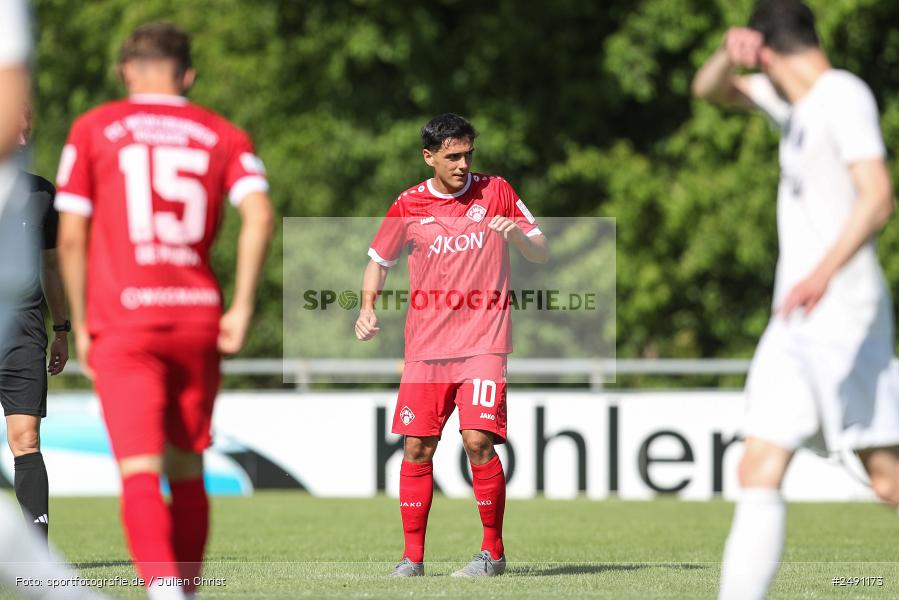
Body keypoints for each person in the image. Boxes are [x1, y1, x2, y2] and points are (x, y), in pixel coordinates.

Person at [55, 22, 274, 600]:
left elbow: (71, 234)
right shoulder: (221, 132)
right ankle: (187, 591)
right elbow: (259, 212)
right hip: (198, 316)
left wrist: (80, 322)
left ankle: (165, 592)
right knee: (187, 468)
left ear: (127, 71)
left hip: (125, 320)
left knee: (139, 469)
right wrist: (242, 305)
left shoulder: (95, 127)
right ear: (188, 75)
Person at [692, 1, 899, 598]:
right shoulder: (796, 105)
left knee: (887, 479)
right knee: (757, 466)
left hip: (845, 312)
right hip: (793, 324)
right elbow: (708, 91)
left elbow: (878, 197)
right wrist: (724, 53)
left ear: (765, 46)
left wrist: (821, 273)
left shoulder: (842, 94)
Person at [356, 113, 549, 577]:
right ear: (430, 157)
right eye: (452, 156)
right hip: (426, 348)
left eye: (468, 155)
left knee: (478, 440)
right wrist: (367, 307)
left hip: (484, 341)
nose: (463, 165)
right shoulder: (408, 203)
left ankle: (493, 554)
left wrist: (518, 237)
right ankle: (412, 560)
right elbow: (378, 261)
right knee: (418, 449)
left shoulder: (497, 190)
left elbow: (542, 248)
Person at [1, 104, 70, 543]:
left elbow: (52, 266)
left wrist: (62, 329)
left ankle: (36, 557)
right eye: (17, 130)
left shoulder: (43, 194)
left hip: (25, 330)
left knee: (26, 440)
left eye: (30, 131)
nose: (25, 140)